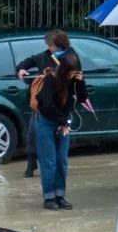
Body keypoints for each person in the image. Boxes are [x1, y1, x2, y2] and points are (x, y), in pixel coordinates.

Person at [31, 35, 87, 210]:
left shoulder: (72, 80)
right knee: (49, 161)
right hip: (47, 122)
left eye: (75, 73)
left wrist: (81, 82)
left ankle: (60, 195)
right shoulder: (51, 80)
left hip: (63, 122)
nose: (73, 75)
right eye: (72, 73)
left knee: (62, 160)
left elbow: (83, 98)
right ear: (64, 71)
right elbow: (46, 106)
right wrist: (63, 122)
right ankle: (49, 197)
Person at [16, 30, 71, 178]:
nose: (49, 48)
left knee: (60, 137)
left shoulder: (70, 59)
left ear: (60, 45)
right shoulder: (44, 56)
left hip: (61, 105)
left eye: (51, 45)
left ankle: (59, 169)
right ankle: (31, 163)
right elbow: (28, 61)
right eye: (48, 45)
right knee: (33, 134)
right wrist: (21, 69)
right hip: (43, 105)